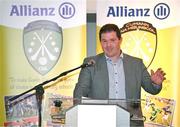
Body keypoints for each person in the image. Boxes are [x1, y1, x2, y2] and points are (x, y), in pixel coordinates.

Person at [73, 23, 166, 126]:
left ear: (120, 40)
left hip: (131, 123)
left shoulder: (136, 64)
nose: (108, 45)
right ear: (101, 42)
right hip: (100, 122)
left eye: (112, 40)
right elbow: (79, 94)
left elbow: (152, 89)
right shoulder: (91, 63)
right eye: (104, 41)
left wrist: (156, 84)